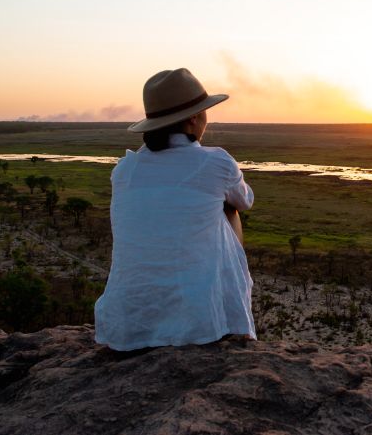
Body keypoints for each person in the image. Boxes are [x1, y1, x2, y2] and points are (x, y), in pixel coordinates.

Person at [94, 68, 256, 350]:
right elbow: (245, 201)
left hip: (128, 321)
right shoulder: (215, 161)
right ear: (193, 118)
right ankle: (231, 319)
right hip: (198, 321)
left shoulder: (125, 169)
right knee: (229, 209)